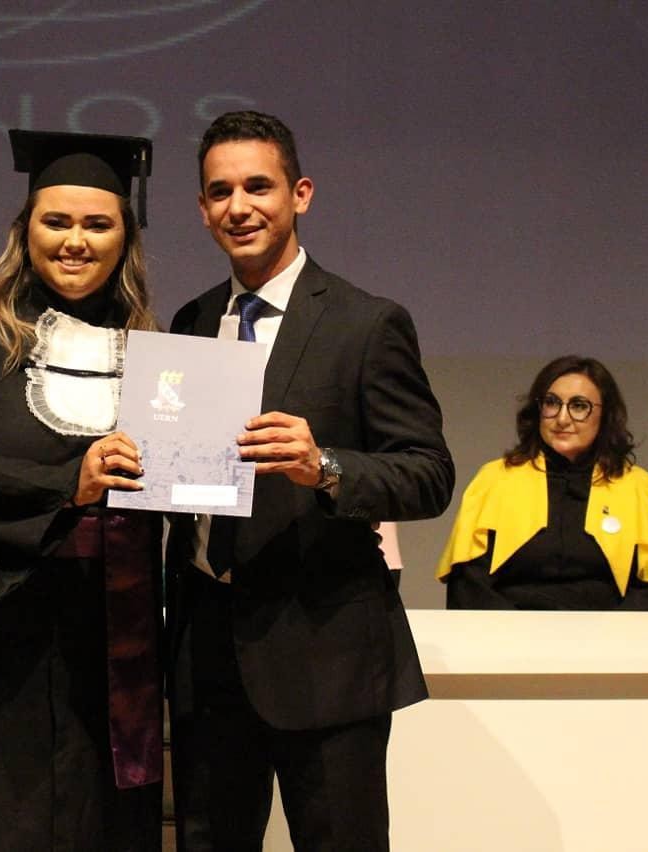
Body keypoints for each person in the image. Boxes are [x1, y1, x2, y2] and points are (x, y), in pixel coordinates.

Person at [164, 110, 454, 851]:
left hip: (326, 655)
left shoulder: (366, 323)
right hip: (207, 647)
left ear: (301, 194)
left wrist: (324, 465)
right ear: (202, 209)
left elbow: (428, 474)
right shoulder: (191, 322)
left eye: (258, 186)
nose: (239, 206)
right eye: (220, 192)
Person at [0, 129, 164, 851]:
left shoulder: (151, 348)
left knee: (94, 813)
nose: (75, 241)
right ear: (25, 230)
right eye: (57, 222)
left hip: (104, 622)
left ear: (124, 238)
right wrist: (68, 484)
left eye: (97, 224)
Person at [437, 355, 648, 610]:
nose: (562, 418)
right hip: (508, 631)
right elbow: (467, 583)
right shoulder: (495, 479)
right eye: (552, 403)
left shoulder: (639, 488)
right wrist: (514, 631)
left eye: (579, 406)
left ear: (605, 415)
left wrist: (610, 633)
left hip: (610, 632)